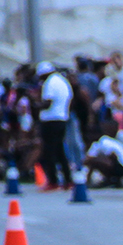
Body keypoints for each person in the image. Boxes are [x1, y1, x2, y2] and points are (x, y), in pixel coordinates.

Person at [36, 61, 73, 191]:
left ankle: (53, 181)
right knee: (60, 151)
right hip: (62, 118)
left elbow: (48, 103)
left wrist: (35, 105)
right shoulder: (63, 81)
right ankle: (68, 180)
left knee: (49, 152)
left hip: (50, 120)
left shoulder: (50, 83)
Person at [83, 116, 123, 187]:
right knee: (96, 159)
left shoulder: (106, 140)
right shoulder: (109, 140)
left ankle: (109, 178)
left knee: (95, 160)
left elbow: (113, 155)